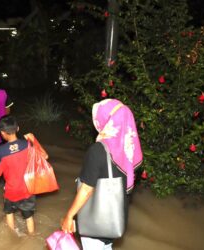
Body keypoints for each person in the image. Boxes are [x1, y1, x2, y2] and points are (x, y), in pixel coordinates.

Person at [61, 99, 143, 249]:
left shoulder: (98, 150)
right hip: (114, 220)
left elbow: (86, 190)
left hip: (96, 225)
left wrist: (69, 216)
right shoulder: (129, 149)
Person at [0, 116, 43, 235]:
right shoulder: (27, 145)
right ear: (17, 128)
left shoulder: (1, 151)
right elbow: (43, 157)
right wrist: (33, 140)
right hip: (28, 188)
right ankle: (32, 236)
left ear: (2, 133)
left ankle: (11, 236)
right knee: (29, 217)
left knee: (9, 213)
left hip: (11, 191)